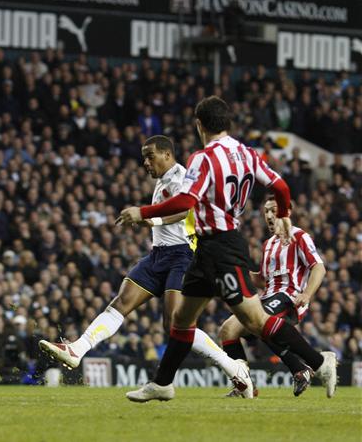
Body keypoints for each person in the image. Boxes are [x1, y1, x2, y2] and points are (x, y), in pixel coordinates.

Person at [118, 96, 337, 402]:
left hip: (222, 246)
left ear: (199, 124)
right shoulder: (248, 154)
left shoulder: (203, 158)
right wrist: (284, 213)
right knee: (182, 320)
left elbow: (185, 201)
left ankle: (319, 363)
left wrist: (143, 211)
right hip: (209, 248)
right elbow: (281, 186)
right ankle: (162, 383)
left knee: (255, 321)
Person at [40, 135, 250, 393]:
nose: (146, 163)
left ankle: (233, 367)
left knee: (175, 325)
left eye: (151, 156)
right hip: (158, 256)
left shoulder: (181, 176)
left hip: (182, 256)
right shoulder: (163, 180)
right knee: (121, 301)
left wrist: (154, 220)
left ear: (167, 155)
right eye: (144, 158)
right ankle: (77, 349)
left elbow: (189, 208)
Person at [219, 197, 326, 397]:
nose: (268, 215)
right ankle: (244, 385)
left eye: (273, 210)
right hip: (267, 297)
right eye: (266, 211)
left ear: (287, 211)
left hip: (289, 296)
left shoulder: (300, 236)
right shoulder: (268, 244)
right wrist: (238, 271)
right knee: (227, 330)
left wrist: (307, 293)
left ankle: (304, 366)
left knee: (261, 319)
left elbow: (318, 267)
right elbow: (262, 280)